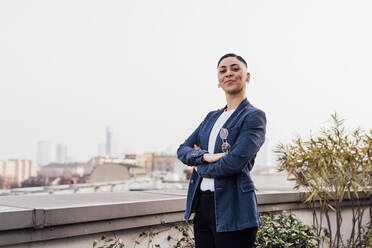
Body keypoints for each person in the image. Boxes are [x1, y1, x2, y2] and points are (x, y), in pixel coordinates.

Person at [177, 53, 266, 248]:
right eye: (222, 70)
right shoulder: (211, 117)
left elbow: (234, 162)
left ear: (247, 76)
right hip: (203, 205)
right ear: (218, 80)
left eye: (235, 69)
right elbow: (182, 150)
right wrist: (205, 156)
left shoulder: (253, 116)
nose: (229, 74)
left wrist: (200, 168)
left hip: (235, 208)